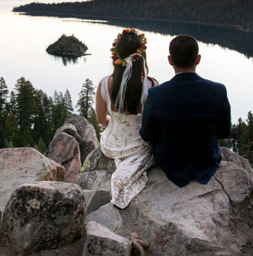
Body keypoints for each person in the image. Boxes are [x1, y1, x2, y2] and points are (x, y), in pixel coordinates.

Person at [140, 34, 231, 188]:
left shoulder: (156, 94)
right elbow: (223, 132)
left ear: (170, 60)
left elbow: (147, 134)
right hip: (207, 162)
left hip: (170, 163)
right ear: (198, 59)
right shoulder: (218, 90)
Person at [95, 28, 158, 209]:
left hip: (110, 145)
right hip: (139, 146)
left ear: (116, 55)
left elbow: (101, 119)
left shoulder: (104, 83)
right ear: (141, 56)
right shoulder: (151, 85)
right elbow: (153, 122)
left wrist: (113, 124)